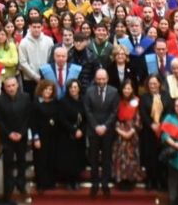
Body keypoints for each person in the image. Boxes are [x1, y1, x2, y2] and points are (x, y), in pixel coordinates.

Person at [82, 68, 120, 197]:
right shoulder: (89, 91)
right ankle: (94, 184)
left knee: (106, 158)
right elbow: (87, 110)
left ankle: (105, 184)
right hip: (93, 130)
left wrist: (105, 126)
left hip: (108, 131)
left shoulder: (114, 92)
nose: (101, 81)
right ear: (95, 79)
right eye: (99, 79)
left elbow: (114, 112)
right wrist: (96, 126)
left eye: (103, 79)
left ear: (107, 79)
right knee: (93, 159)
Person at [0, 76, 32, 200]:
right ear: (4, 88)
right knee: (8, 164)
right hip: (7, 137)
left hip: (22, 136)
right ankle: (8, 191)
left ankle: (21, 186)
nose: (11, 88)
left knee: (22, 163)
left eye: (13, 85)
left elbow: (28, 117)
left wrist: (21, 133)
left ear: (17, 85)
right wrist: (9, 133)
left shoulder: (25, 97)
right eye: (8, 86)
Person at [138, 74, 170, 192]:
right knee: (149, 157)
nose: (153, 86)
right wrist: (152, 125)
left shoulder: (166, 96)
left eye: (155, 83)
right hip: (148, 131)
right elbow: (143, 113)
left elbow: (169, 112)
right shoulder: (144, 97)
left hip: (163, 131)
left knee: (161, 157)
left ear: (159, 84)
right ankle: (150, 180)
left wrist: (161, 124)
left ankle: (161, 181)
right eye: (150, 84)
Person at [112, 79, 144, 190]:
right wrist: (120, 131)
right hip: (119, 134)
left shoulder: (137, 101)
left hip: (132, 134)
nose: (127, 90)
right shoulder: (117, 101)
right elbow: (114, 117)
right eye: (125, 88)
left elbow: (139, 118)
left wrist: (131, 131)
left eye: (129, 88)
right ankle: (120, 179)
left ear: (132, 89)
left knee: (131, 158)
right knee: (120, 157)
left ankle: (131, 179)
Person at [55, 79, 86, 189]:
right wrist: (73, 130)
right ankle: (68, 181)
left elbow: (86, 118)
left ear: (79, 88)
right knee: (68, 159)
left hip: (80, 135)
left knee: (78, 157)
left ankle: (76, 180)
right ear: (68, 89)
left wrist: (81, 130)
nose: (73, 89)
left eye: (75, 87)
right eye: (71, 87)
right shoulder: (63, 101)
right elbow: (61, 119)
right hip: (67, 134)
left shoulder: (83, 101)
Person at [31, 79, 60, 191]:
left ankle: (50, 182)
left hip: (53, 135)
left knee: (51, 158)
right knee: (40, 159)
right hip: (40, 136)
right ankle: (41, 183)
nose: (48, 91)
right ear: (41, 90)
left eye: (50, 89)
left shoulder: (55, 102)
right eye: (46, 89)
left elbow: (58, 117)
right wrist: (35, 137)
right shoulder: (36, 103)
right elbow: (32, 122)